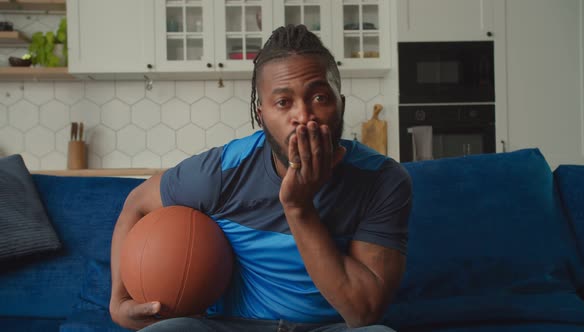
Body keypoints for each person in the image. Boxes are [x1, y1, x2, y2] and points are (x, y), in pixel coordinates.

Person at [109, 24, 412, 332]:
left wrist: (299, 208)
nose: (303, 115)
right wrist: (118, 303)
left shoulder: (381, 179)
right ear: (260, 114)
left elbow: (363, 313)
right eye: (283, 102)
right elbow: (136, 203)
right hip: (232, 326)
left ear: (341, 105)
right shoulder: (223, 171)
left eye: (319, 97)